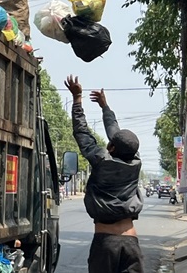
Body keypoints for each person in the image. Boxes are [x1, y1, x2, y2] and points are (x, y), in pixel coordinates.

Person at [64, 75, 144, 273]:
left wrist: (77, 99)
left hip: (106, 243)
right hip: (131, 244)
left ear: (112, 147)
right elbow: (115, 133)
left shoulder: (101, 160)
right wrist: (105, 108)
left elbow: (82, 133)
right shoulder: (136, 161)